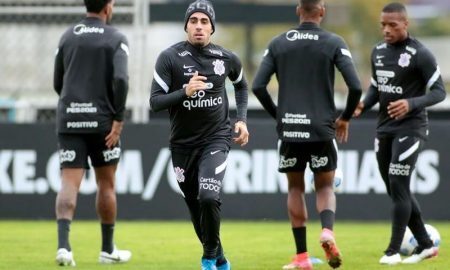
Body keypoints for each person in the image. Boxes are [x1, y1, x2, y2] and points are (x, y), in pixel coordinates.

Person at [252, 0, 362, 269]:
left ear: (298, 10)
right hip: (322, 129)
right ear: (322, 11)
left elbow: (258, 86)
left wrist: (279, 114)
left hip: (290, 129)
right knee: (324, 185)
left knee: (295, 188)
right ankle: (327, 231)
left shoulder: (279, 42)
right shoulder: (334, 42)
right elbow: (356, 87)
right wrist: (345, 118)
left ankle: (301, 258)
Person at [149, 1, 249, 269]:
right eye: (193, 21)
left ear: (212, 27)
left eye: (204, 21)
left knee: (208, 196)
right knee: (196, 208)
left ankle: (208, 258)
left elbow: (241, 86)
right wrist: (185, 92)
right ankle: (221, 259)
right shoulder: (169, 58)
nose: (199, 26)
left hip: (216, 139)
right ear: (186, 26)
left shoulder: (226, 58)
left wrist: (242, 121)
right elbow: (155, 102)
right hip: (182, 145)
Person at [353, 2, 446, 265]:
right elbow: (376, 87)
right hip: (384, 128)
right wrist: (363, 104)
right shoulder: (378, 52)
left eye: (392, 25)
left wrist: (411, 103)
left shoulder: (420, 54)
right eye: (383, 25)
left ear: (406, 24)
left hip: (412, 127)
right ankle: (426, 244)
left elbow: (439, 91)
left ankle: (393, 250)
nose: (386, 30)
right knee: (395, 188)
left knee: (398, 184)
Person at [53, 0, 131, 266]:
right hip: (103, 123)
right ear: (108, 6)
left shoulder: (67, 35)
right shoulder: (116, 38)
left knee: (68, 183)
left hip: (70, 119)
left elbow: (57, 82)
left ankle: (64, 247)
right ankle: (107, 249)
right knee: (106, 184)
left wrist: (75, 104)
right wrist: (118, 119)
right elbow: (121, 79)